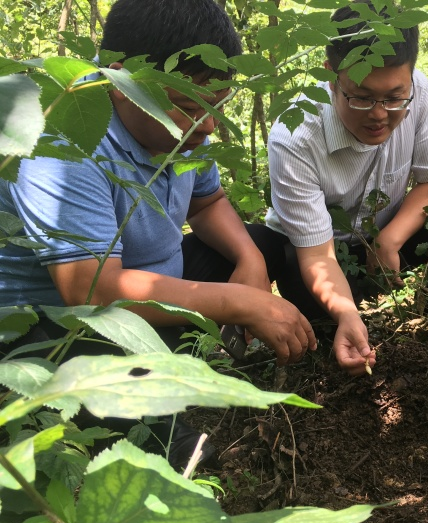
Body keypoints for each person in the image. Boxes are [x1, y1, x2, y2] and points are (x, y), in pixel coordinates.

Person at [0, 0, 316, 468]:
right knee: (175, 444)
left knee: (270, 244)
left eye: (216, 108)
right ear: (125, 82)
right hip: (59, 328)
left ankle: (257, 354)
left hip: (150, 286)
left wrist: (252, 264)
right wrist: (241, 302)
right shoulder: (60, 135)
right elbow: (92, 292)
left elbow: (206, 202)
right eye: (190, 109)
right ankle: (173, 441)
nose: (208, 126)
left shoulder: (182, 129)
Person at [263, 0, 428, 376]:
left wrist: (389, 240)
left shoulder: (418, 91)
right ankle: (332, 333)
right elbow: (316, 257)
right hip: (321, 254)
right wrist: (347, 311)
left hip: (387, 237)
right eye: (361, 97)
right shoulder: (295, 137)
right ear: (331, 74)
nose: (380, 114)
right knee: (291, 266)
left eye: (394, 98)